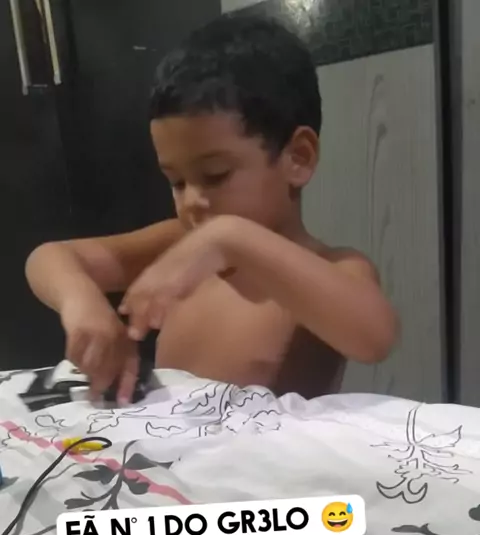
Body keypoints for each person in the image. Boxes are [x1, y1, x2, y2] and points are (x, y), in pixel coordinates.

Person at [26, 13, 398, 404]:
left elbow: (375, 338)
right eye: (176, 182)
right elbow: (49, 257)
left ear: (298, 157)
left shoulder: (331, 267)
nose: (190, 201)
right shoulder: (178, 242)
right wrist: (81, 302)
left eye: (215, 175)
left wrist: (230, 238)